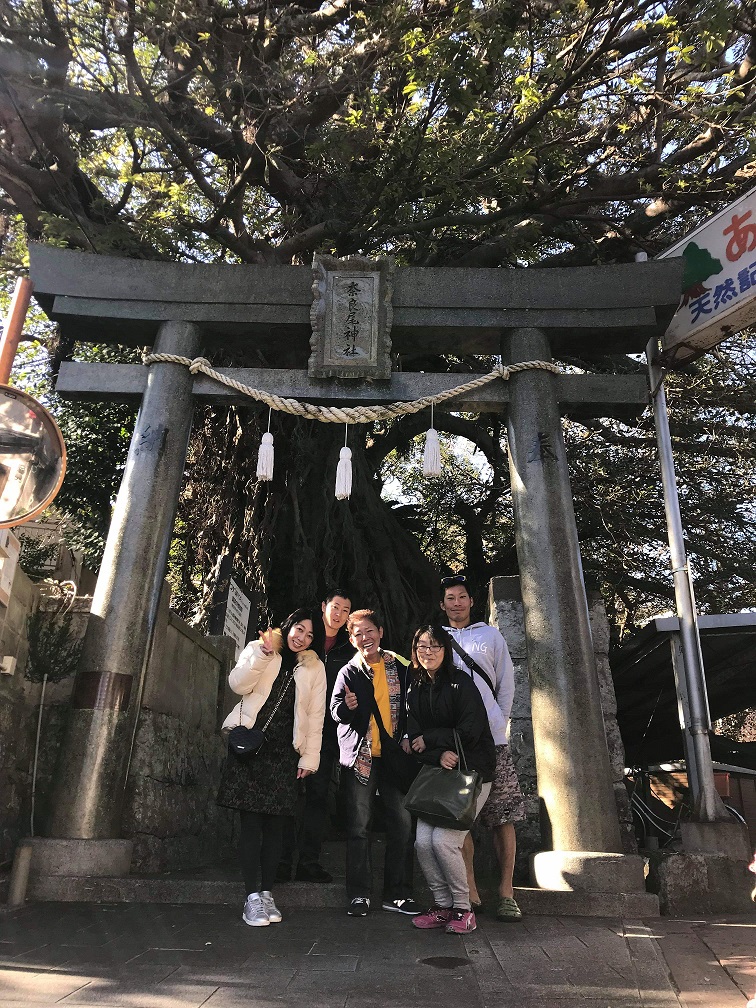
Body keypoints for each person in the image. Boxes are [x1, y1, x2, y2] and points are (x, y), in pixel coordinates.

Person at [217, 608, 326, 926]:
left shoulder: (315, 667)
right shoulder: (259, 648)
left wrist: (309, 759)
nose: (302, 638)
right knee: (251, 825)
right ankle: (251, 897)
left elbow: (316, 716)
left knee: (277, 826)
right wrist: (263, 654)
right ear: (288, 626)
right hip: (252, 746)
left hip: (285, 752)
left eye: (309, 635)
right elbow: (237, 684)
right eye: (299, 629)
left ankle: (266, 893)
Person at [440, 574, 526, 921]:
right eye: (450, 598)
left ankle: (506, 891)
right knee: (459, 816)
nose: (456, 603)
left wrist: (497, 722)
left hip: (492, 741)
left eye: (461, 596)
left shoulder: (491, 636)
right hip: (457, 743)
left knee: (503, 814)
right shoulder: (437, 639)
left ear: (471, 601)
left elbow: (506, 683)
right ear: (442, 604)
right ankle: (470, 889)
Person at [330, 608, 421, 917]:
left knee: (403, 824)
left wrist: (408, 735)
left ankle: (398, 893)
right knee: (358, 826)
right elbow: (335, 711)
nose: (365, 637)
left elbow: (413, 707)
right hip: (362, 757)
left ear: (381, 632)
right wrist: (347, 707)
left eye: (370, 631)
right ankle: (359, 894)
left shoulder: (401, 667)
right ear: (351, 639)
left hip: (395, 757)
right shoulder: (349, 671)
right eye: (358, 634)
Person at [406, 624, 496, 934]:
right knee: (422, 842)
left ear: (446, 650)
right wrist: (437, 753)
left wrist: (434, 740)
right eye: (421, 646)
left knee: (444, 841)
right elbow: (414, 739)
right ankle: (442, 906)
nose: (427, 651)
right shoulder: (416, 687)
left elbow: (470, 730)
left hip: (472, 773)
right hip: (438, 773)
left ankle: (463, 909)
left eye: (434, 646)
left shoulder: (461, 684)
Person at [278, 588, 354, 883]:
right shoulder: (306, 639)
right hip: (292, 728)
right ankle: (281, 860)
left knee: (318, 797)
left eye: (345, 610)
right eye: (335, 607)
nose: (339, 614)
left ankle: (308, 861)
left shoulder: (348, 650)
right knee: (286, 795)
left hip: (327, 735)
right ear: (324, 606)